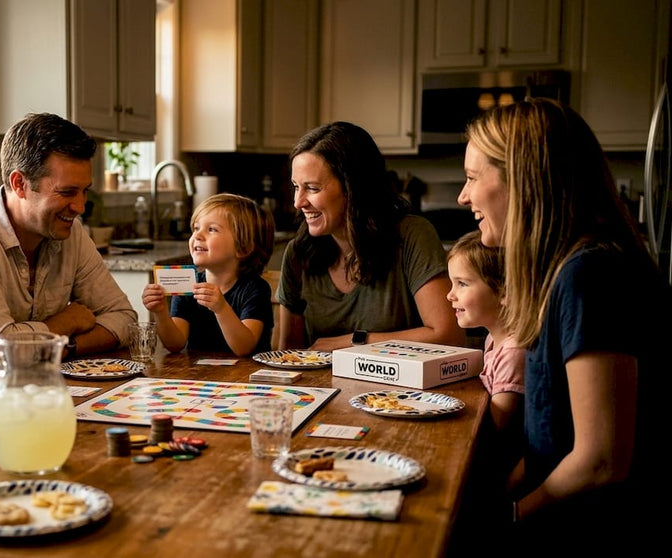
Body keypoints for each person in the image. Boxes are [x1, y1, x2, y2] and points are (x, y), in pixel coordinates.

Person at [459, 97, 668, 553]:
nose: (463, 195)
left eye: (473, 178)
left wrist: (510, 515)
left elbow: (600, 461)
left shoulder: (589, 275)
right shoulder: (560, 272)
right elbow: (548, 440)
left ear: (523, 180)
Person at [0, 113, 135, 363]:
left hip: (32, 389)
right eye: (67, 192)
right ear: (19, 183)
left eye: (84, 191)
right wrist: (65, 322)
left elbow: (124, 318)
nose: (80, 206)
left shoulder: (69, 231)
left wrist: (66, 346)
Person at [277, 121, 464, 351]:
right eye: (296, 186)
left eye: (313, 188)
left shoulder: (412, 236)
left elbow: (449, 335)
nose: (298, 202)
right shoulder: (298, 254)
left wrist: (353, 341)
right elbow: (288, 355)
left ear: (353, 188)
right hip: (321, 386)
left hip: (400, 387)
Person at [141, 193, 275, 356]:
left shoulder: (255, 289)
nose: (197, 235)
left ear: (243, 248)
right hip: (199, 377)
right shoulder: (188, 284)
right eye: (196, 228)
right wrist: (160, 312)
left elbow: (244, 348)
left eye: (211, 229)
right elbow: (175, 344)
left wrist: (221, 308)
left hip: (246, 377)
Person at [446, 230, 524, 439]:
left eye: (462, 283)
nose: (450, 294)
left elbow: (495, 429)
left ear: (504, 292)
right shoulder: (493, 339)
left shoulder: (513, 353)